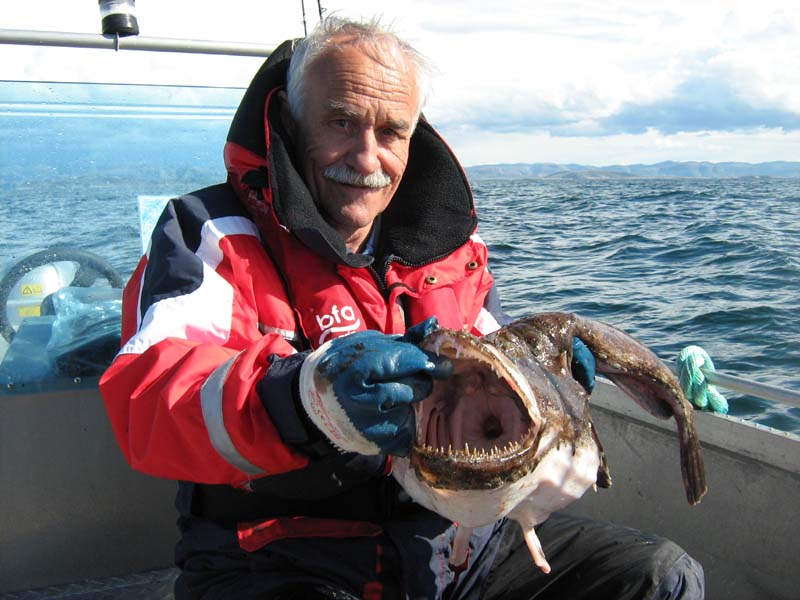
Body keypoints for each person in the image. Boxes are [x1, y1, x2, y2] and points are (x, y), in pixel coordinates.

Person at [99, 16, 705, 600]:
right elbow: (150, 397)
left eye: (391, 132)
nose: (367, 158)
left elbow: (494, 353)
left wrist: (546, 369)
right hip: (280, 554)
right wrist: (308, 396)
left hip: (458, 546)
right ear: (289, 121)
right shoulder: (210, 234)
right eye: (341, 121)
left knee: (659, 577)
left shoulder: (453, 250)